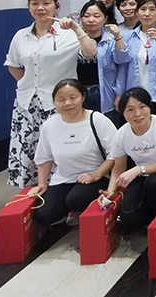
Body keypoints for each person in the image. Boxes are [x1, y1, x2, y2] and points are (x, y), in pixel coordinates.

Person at [5, 0, 97, 187]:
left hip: (60, 103)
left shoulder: (68, 33)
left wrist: (76, 28)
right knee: (28, 148)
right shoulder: (21, 36)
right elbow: (12, 65)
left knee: (58, 148)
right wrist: (28, 83)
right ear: (29, 6)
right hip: (27, 103)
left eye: (46, 3)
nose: (40, 8)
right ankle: (32, 191)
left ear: (56, 5)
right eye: (35, 3)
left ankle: (58, 190)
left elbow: (91, 52)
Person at [30, 79, 118, 226]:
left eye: (73, 97)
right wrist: (42, 184)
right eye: (61, 100)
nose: (67, 103)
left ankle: (77, 211)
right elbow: (44, 157)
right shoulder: (49, 125)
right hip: (62, 179)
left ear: (82, 97)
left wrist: (96, 175)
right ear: (54, 102)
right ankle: (68, 212)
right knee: (42, 215)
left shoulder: (97, 119)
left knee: (76, 200)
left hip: (95, 177)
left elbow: (116, 154)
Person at [101, 88, 156, 229]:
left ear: (149, 107)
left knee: (154, 183)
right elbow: (118, 169)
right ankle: (149, 219)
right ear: (123, 113)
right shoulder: (120, 135)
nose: (138, 114)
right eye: (130, 110)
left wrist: (138, 169)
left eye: (142, 107)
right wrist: (110, 191)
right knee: (128, 217)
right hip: (143, 175)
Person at [75, 1, 128, 123]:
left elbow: (122, 63)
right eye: (86, 16)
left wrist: (119, 94)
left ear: (105, 19)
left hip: (105, 94)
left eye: (96, 16)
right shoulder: (72, 39)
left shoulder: (111, 39)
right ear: (81, 18)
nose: (91, 20)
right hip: (78, 93)